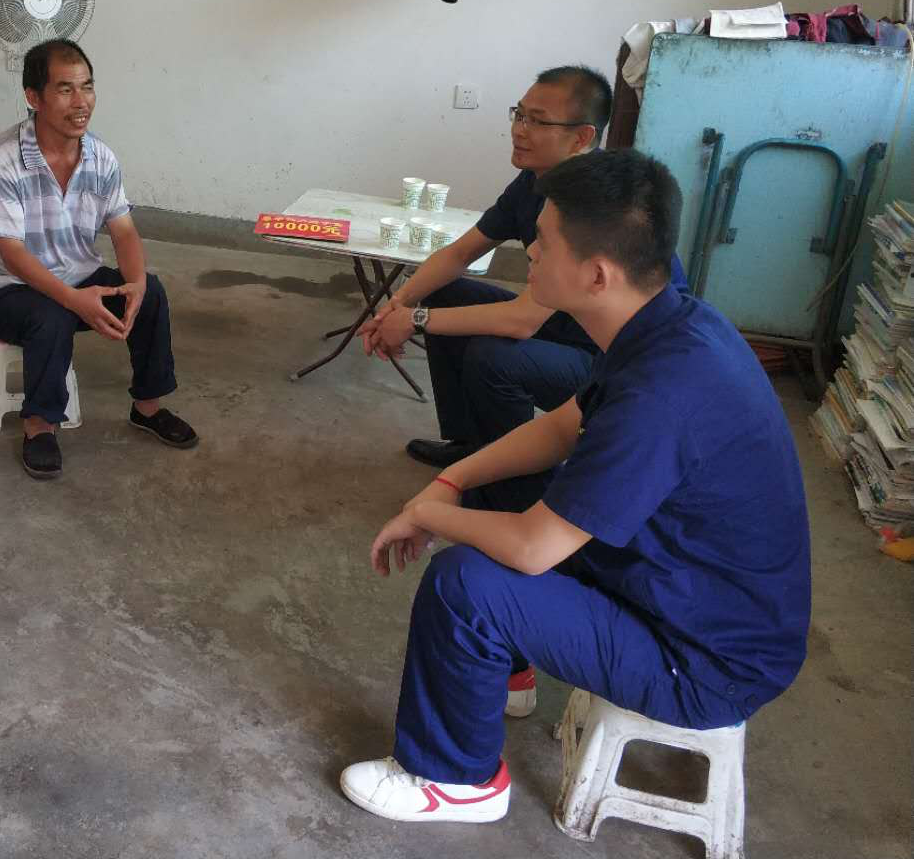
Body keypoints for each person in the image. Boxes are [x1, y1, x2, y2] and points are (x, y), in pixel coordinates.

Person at [339, 150, 810, 826]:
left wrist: (425, 512)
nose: (530, 250)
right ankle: (504, 674)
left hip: (703, 662)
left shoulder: (663, 393)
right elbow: (564, 425)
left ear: (595, 274)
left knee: (463, 585)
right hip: (672, 584)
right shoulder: (668, 321)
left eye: (545, 240)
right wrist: (449, 480)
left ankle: (455, 779)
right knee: (495, 489)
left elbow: (532, 550)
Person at [360, 66, 685, 480]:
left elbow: (522, 321)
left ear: (581, 137)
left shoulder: (596, 203)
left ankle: (512, 483)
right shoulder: (534, 181)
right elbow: (460, 253)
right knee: (446, 293)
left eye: (538, 121)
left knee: (494, 358)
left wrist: (416, 320)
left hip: (616, 360)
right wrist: (397, 305)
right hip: (569, 326)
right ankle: (468, 445)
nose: (519, 130)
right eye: (519, 114)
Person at [0, 38, 198, 479]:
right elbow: (12, 255)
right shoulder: (5, 159)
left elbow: (124, 231)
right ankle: (40, 426)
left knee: (151, 292)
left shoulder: (100, 157)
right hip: (7, 291)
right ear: (33, 97)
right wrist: (74, 300)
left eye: (87, 86)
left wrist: (135, 285)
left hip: (78, 277)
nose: (81, 102)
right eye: (65, 89)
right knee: (51, 314)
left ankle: (148, 407)